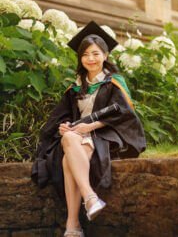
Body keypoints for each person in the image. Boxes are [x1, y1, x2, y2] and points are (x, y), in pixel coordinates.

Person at [31, 21, 146, 237]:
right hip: (77, 137)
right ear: (80, 59)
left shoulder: (115, 83)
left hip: (105, 132)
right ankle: (90, 198)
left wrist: (91, 125)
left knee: (68, 158)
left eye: (95, 53)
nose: (90, 59)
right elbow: (60, 117)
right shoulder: (75, 87)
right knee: (69, 140)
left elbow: (125, 115)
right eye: (85, 54)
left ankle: (73, 224)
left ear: (105, 55)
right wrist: (64, 126)